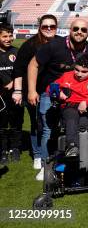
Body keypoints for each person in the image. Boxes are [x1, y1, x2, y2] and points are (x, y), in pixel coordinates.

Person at [27, 18, 88, 181]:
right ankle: (46, 165)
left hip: (78, 94)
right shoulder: (54, 45)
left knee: (79, 125)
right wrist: (32, 90)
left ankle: (79, 159)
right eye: (76, 29)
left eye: (83, 29)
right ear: (70, 30)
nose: (79, 32)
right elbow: (33, 65)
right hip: (51, 92)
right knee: (48, 129)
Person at [12, 14, 58, 171]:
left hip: (53, 91)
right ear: (40, 27)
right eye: (46, 26)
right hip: (32, 91)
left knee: (51, 124)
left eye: (52, 26)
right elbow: (18, 69)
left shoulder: (60, 43)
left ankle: (51, 153)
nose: (49, 29)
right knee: (36, 122)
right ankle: (38, 155)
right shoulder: (30, 45)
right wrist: (18, 91)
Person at [53, 55, 88, 158]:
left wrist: (86, 102)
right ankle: (72, 146)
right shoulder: (67, 76)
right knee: (71, 117)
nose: (79, 74)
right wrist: (57, 92)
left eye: (84, 72)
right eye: (77, 70)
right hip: (71, 105)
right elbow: (51, 87)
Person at [0, 24, 21, 165]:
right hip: (0, 96)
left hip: (15, 94)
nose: (8, 39)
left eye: (10, 36)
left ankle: (15, 148)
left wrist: (13, 84)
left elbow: (22, 72)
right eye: (4, 36)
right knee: (1, 123)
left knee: (16, 122)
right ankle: (2, 150)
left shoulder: (17, 52)